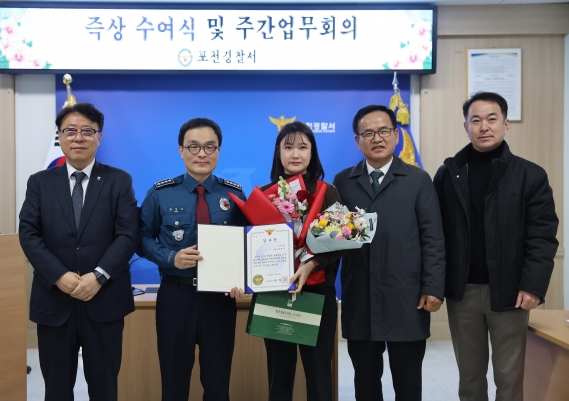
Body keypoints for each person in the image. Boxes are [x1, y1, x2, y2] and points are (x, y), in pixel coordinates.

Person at [433, 91, 559, 401]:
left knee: (509, 378)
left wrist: (533, 286)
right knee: (470, 379)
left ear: (506, 124)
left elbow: (542, 236)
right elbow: (435, 234)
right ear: (466, 127)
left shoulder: (530, 175)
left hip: (510, 292)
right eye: (476, 120)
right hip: (462, 291)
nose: (484, 127)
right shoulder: (448, 174)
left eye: (492, 119)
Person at [18, 103, 140, 401]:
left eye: (87, 131)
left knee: (104, 389)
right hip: (54, 302)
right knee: (56, 390)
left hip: (104, 301)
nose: (78, 137)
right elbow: (29, 234)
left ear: (99, 137)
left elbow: (128, 234)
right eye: (70, 131)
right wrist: (59, 275)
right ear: (59, 136)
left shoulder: (119, 180)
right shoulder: (39, 182)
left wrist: (98, 276)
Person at [333, 105, 445, 401]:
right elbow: (334, 238)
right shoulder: (343, 181)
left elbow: (433, 238)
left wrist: (433, 287)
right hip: (361, 297)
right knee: (365, 384)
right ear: (357, 141)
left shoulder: (418, 180)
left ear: (396, 135)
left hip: (406, 298)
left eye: (384, 131)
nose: (377, 138)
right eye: (368, 133)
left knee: (408, 385)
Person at [137, 117, 247, 401]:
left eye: (210, 147)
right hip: (177, 296)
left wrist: (242, 279)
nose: (202, 154)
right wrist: (170, 257)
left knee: (218, 383)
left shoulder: (234, 194)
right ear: (181, 150)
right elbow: (141, 237)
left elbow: (247, 242)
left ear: (218, 151)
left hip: (220, 300)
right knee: (174, 383)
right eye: (193, 147)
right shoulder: (160, 193)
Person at [260, 121, 344, 401]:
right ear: (278, 153)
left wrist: (311, 264)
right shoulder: (264, 195)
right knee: (279, 377)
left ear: (312, 152)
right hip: (275, 294)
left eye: (302, 147)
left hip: (317, 294)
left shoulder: (327, 191)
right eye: (288, 147)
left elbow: (341, 242)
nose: (295, 153)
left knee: (319, 378)